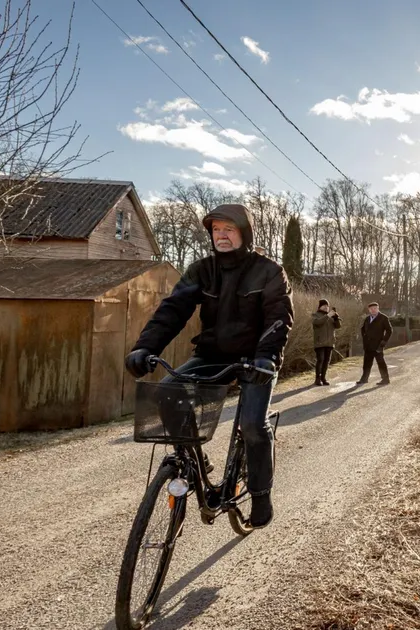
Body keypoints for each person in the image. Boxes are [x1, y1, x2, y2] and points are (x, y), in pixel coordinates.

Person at [123, 204, 293, 529]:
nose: (222, 236)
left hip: (256, 359)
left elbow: (279, 317)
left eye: (229, 229)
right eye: (216, 230)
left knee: (254, 425)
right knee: (166, 394)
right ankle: (195, 462)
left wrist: (267, 357)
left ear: (244, 232)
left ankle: (260, 493)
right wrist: (145, 347)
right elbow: (173, 309)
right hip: (211, 354)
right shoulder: (202, 270)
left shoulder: (268, 271)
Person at [357, 302, 393, 385]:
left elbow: (389, 331)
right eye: (371, 309)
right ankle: (364, 379)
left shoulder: (383, 318)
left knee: (381, 363)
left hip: (378, 345)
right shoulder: (367, 319)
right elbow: (363, 329)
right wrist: (365, 338)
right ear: (369, 310)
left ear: (378, 308)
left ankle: (385, 379)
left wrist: (383, 342)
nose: (373, 310)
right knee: (366, 363)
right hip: (368, 346)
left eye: (375, 308)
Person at [312, 299, 341, 386]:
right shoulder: (315, 315)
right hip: (320, 342)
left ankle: (323, 378)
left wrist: (336, 318)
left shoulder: (331, 316)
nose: (326, 307)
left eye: (327, 306)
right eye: (324, 306)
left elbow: (338, 326)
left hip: (330, 342)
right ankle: (317, 379)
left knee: (326, 361)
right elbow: (317, 323)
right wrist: (328, 315)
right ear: (320, 307)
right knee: (320, 360)